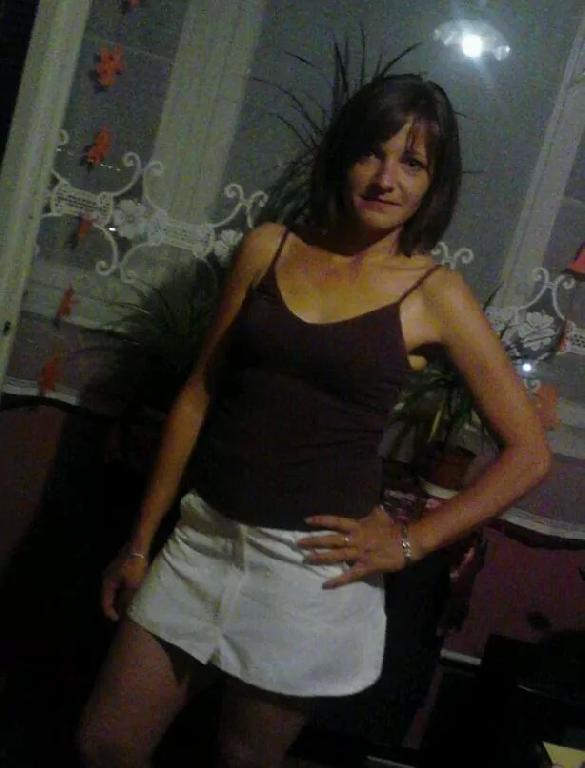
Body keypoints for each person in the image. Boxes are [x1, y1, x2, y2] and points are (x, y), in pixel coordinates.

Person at [78, 73, 551, 768]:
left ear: (433, 184)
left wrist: (412, 542)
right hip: (203, 539)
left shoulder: (436, 293)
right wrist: (140, 542)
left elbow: (529, 453)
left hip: (308, 573)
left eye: (412, 162)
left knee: (244, 760)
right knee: (106, 744)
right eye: (371, 153)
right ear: (342, 156)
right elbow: (199, 394)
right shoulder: (268, 247)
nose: (386, 178)